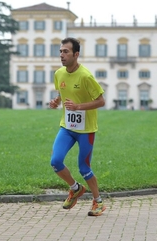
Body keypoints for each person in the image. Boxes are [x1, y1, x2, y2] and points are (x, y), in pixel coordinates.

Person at [49, 37, 106, 216]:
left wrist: (78, 107)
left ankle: (98, 202)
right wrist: (56, 101)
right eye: (60, 51)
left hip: (86, 130)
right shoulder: (59, 74)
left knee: (84, 168)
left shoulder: (86, 76)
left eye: (66, 52)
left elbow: (101, 101)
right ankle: (75, 189)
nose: (62, 55)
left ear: (76, 54)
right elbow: (62, 91)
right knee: (55, 161)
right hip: (67, 126)